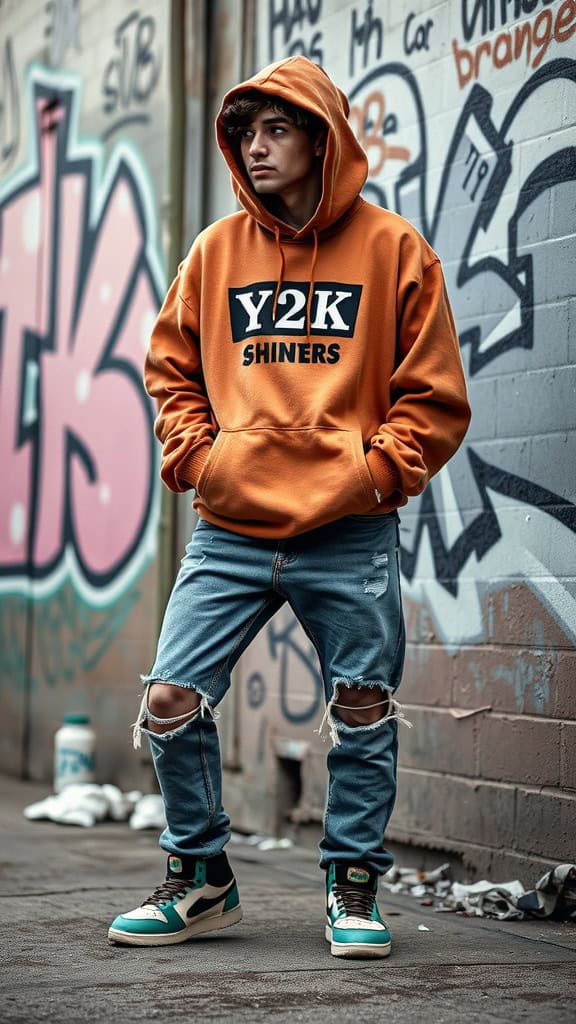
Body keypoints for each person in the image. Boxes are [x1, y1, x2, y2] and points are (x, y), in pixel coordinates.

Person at [108, 56, 470, 957]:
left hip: (349, 528)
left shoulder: (394, 251)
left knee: (361, 705)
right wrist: (202, 458)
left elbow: (432, 397)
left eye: (276, 130)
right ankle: (201, 878)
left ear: (322, 137)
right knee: (168, 698)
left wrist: (376, 474)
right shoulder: (218, 252)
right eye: (245, 133)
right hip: (232, 526)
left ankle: (353, 886)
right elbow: (171, 369)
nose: (256, 147)